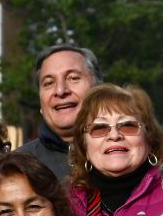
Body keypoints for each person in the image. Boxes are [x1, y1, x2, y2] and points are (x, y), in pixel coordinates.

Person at [68, 83, 163, 216]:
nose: (114, 135)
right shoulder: (65, 204)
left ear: (149, 138)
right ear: (84, 146)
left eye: (128, 125)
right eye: (99, 128)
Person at [17, 44, 102, 180]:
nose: (61, 91)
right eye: (49, 83)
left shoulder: (128, 153)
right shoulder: (19, 165)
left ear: (99, 88)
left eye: (73, 78)